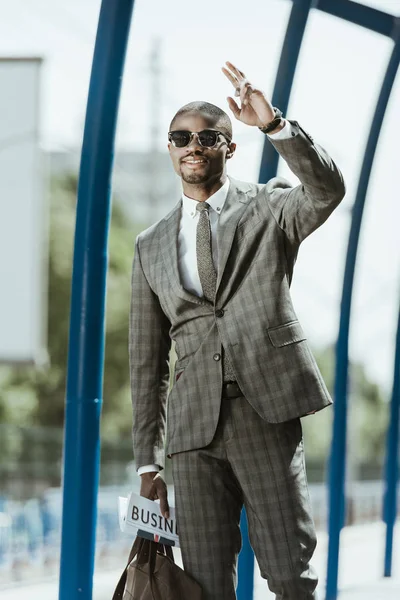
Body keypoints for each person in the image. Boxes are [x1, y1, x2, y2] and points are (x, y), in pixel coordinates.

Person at [129, 61, 345, 600]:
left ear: (229, 145)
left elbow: (326, 190)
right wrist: (147, 461)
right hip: (191, 432)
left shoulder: (270, 207)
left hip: (264, 411)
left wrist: (274, 125)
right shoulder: (149, 245)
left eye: (207, 136)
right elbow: (146, 361)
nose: (193, 146)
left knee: (291, 575)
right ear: (171, 149)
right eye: (181, 138)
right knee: (202, 585)